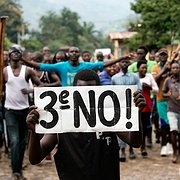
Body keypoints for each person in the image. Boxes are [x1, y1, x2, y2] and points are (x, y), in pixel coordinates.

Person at [26, 69, 146, 180]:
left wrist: (136, 115)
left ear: (99, 90)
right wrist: (33, 132)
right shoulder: (61, 118)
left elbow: (135, 142)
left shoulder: (109, 115)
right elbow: (35, 158)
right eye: (81, 90)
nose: (86, 95)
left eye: (91, 90)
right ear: (73, 90)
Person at [3, 46, 43, 180]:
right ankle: (15, 171)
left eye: (18, 52)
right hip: (10, 111)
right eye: (12, 51)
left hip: (25, 111)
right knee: (14, 141)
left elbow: (40, 86)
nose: (15, 53)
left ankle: (19, 170)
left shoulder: (27, 71)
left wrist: (30, 91)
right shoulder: (4, 71)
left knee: (22, 142)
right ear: (9, 55)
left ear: (21, 56)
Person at [21, 46, 133, 87]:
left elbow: (103, 64)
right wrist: (24, 61)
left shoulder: (86, 65)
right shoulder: (61, 66)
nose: (74, 53)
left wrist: (122, 58)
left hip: (82, 98)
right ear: (68, 54)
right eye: (72, 52)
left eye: (76, 52)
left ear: (79, 54)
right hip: (67, 100)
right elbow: (41, 66)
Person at [111, 58, 142, 161]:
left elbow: (139, 89)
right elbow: (112, 92)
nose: (124, 64)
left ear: (129, 64)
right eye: (122, 62)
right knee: (122, 128)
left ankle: (131, 150)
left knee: (132, 128)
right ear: (119, 64)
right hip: (120, 107)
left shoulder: (134, 76)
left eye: (126, 62)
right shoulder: (115, 78)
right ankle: (123, 151)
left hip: (132, 106)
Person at [151, 48, 172, 156]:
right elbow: (154, 80)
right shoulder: (155, 67)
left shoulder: (173, 66)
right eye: (161, 55)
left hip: (173, 100)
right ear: (159, 56)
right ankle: (164, 145)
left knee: (173, 124)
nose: (163, 56)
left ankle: (171, 143)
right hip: (160, 99)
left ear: (168, 56)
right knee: (164, 123)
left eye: (165, 54)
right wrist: (164, 70)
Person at [137, 60, 159, 156]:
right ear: (138, 69)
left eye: (145, 68)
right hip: (136, 104)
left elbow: (156, 90)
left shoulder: (149, 77)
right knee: (138, 126)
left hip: (146, 104)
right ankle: (137, 145)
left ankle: (143, 146)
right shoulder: (134, 77)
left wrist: (149, 87)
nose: (144, 69)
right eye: (142, 68)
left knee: (145, 126)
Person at [163, 61, 180, 163]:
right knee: (173, 130)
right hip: (171, 109)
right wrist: (167, 94)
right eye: (173, 68)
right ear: (171, 69)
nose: (175, 69)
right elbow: (163, 93)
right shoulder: (167, 81)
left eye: (177, 68)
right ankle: (174, 153)